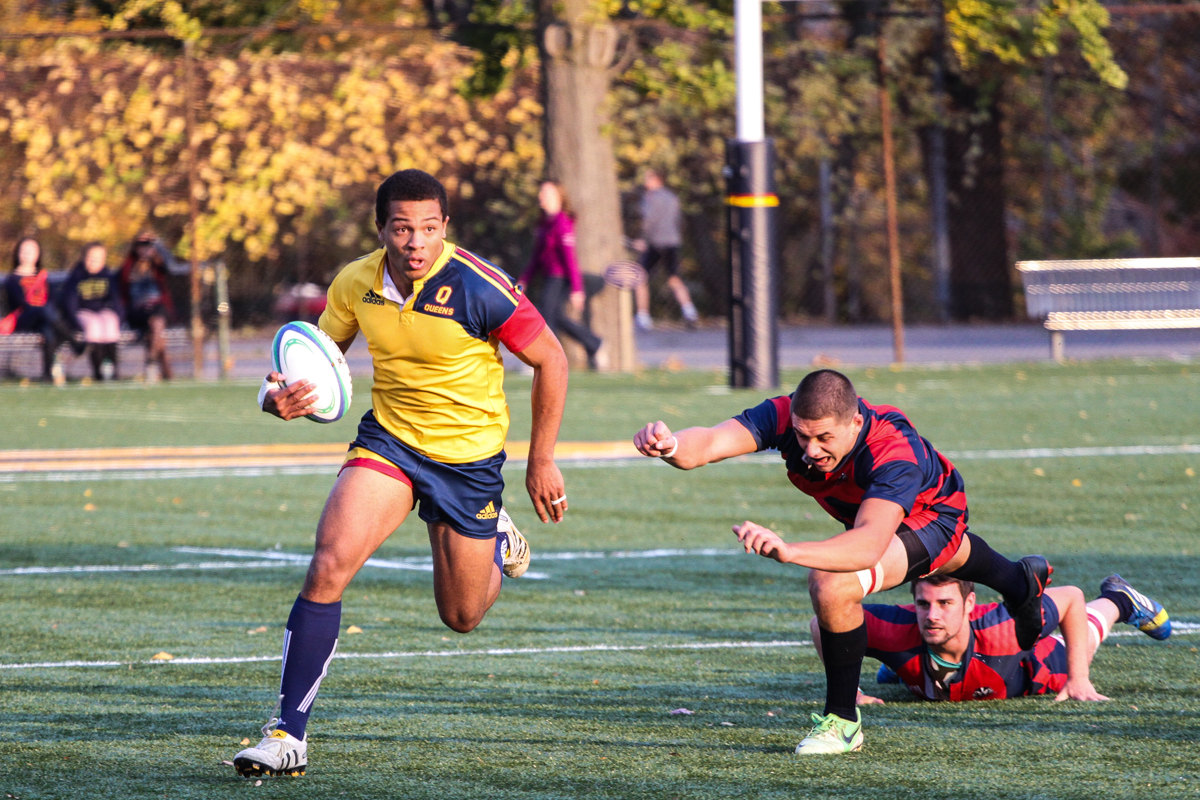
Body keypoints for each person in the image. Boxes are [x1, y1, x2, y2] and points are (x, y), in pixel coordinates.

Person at [233, 169, 571, 779]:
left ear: (445, 227)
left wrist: (540, 460)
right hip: (390, 443)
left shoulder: (481, 286)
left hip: (468, 462)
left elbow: (553, 358)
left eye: (429, 228)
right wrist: (272, 397)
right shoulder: (354, 283)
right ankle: (287, 735)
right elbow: (312, 364)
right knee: (328, 564)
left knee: (461, 616)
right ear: (381, 229)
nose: (416, 242)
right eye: (402, 228)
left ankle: (496, 540)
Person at [632, 369, 1052, 755]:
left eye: (824, 438)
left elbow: (868, 546)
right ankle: (1019, 582)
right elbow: (709, 443)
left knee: (833, 582)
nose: (811, 450)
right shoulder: (786, 415)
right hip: (879, 512)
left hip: (933, 517)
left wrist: (790, 551)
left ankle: (843, 722)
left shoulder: (892, 452)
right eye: (802, 437)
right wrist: (671, 445)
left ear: (855, 422)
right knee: (932, 559)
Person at [816, 572, 1170, 705]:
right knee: (897, 657)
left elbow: (1071, 598)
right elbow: (822, 624)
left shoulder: (1003, 628)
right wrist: (851, 693)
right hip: (935, 666)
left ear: (970, 604)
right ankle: (901, 671)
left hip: (1028, 669)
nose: (932, 614)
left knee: (1072, 652)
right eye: (923, 604)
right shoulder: (898, 625)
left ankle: (1119, 600)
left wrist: (1079, 679)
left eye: (945, 603)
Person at [518, 180, 603, 369]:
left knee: (545, 317)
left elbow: (570, 260)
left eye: (546, 193)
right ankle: (593, 343)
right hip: (548, 277)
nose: (541, 196)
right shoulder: (544, 223)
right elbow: (536, 257)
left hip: (559, 279)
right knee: (554, 316)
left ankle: (545, 361)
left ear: (558, 197)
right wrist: (525, 279)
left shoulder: (562, 223)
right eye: (541, 192)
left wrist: (577, 289)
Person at [2, 237, 77, 384]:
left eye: (31, 251)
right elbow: (20, 304)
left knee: (47, 330)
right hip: (23, 319)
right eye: (24, 251)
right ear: (18, 253)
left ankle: (47, 375)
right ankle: (73, 341)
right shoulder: (12, 279)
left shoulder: (43, 276)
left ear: (38, 254)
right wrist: (41, 309)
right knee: (43, 310)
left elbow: (52, 300)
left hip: (44, 319)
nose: (27, 254)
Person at [633, 169, 697, 330]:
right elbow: (678, 220)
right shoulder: (672, 197)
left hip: (654, 243)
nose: (645, 181)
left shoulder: (650, 197)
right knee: (674, 279)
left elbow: (648, 220)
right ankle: (689, 311)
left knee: (640, 278)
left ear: (657, 179)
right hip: (672, 242)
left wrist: (643, 239)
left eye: (648, 178)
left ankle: (643, 316)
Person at [61, 243, 125, 381]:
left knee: (110, 322)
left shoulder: (107, 276)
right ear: (83, 257)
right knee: (93, 325)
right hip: (83, 313)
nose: (93, 261)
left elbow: (117, 301)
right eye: (90, 257)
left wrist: (119, 318)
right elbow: (70, 303)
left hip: (102, 312)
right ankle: (98, 372)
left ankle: (113, 369)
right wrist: (75, 324)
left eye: (98, 258)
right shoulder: (76, 276)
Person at [117, 232, 175, 381]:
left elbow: (170, 266)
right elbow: (122, 289)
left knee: (157, 322)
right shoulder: (129, 266)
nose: (144, 248)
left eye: (148, 245)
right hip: (138, 311)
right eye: (141, 245)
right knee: (158, 334)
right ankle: (166, 374)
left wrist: (157, 243)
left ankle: (150, 363)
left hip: (158, 308)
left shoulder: (157, 265)